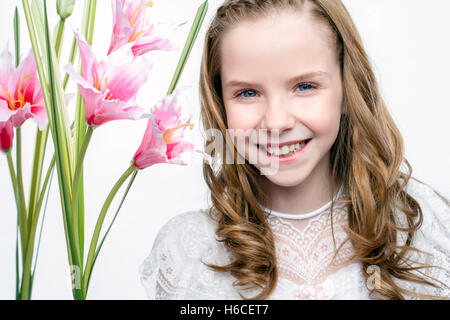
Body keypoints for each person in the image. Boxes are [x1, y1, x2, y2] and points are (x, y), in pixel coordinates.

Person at [139, 0, 450, 299]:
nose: (276, 122)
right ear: (220, 103)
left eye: (304, 87)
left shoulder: (422, 228)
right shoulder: (188, 251)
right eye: (248, 92)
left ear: (347, 88)